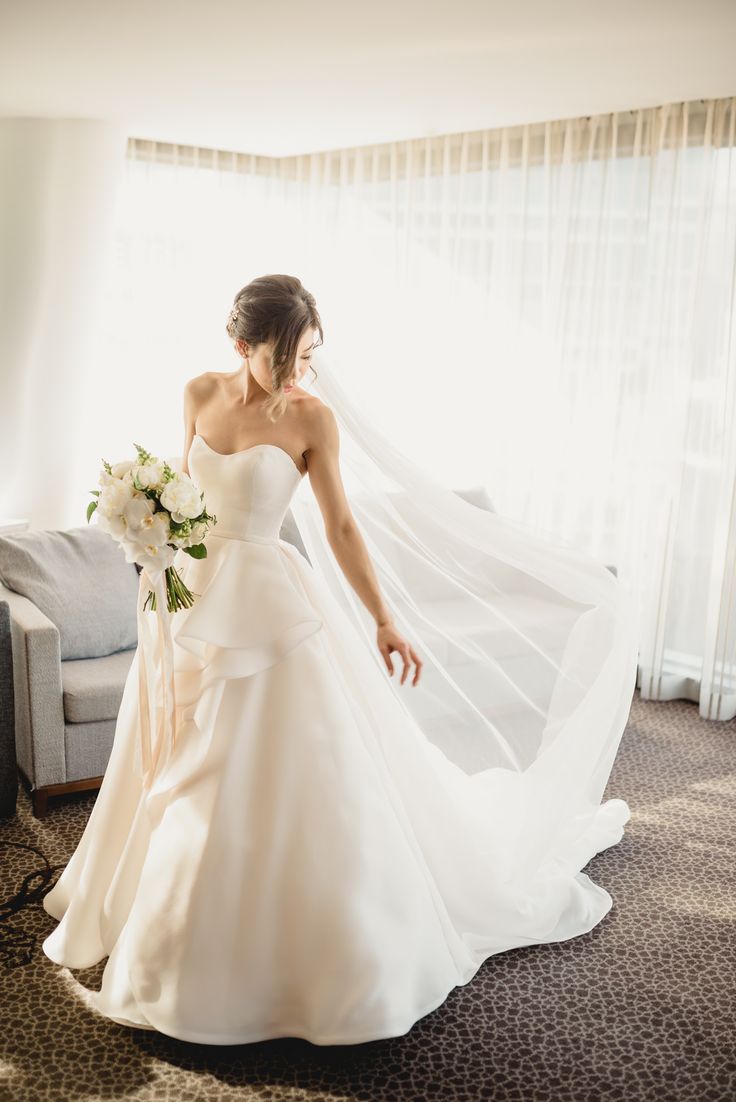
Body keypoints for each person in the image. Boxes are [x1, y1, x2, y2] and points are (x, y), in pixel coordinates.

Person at [41, 273, 638, 1046]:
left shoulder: (313, 418)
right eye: (282, 358)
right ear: (239, 345)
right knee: (170, 756)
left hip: (271, 607)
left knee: (267, 770)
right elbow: (182, 496)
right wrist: (147, 538)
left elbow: (344, 528)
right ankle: (149, 912)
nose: (296, 374)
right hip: (188, 600)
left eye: (307, 357)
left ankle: (273, 957)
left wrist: (387, 620)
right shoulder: (197, 392)